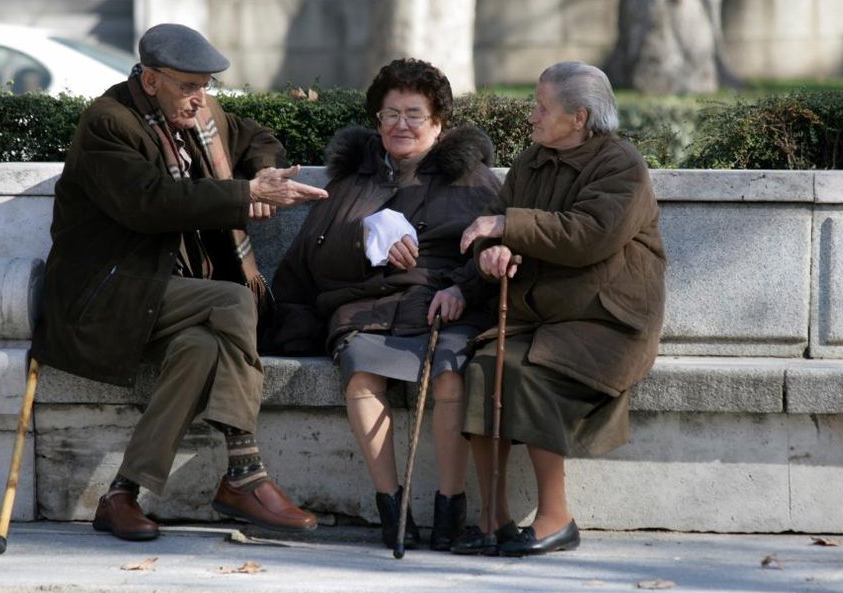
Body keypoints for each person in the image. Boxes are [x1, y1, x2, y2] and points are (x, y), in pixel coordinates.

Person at [29, 23, 329, 541]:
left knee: (199, 349)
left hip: (170, 295)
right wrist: (241, 194)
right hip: (106, 294)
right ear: (150, 81)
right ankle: (244, 472)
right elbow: (149, 204)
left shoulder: (198, 115)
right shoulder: (108, 123)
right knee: (234, 301)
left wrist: (263, 177)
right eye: (188, 86)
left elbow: (258, 137)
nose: (199, 98)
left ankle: (121, 494)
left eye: (205, 86)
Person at [268, 58, 501, 551]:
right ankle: (391, 506)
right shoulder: (353, 180)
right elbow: (310, 257)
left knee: (451, 370)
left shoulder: (473, 180)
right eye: (390, 113)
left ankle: (449, 504)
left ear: (439, 123)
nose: (401, 125)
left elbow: (489, 250)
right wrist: (366, 240)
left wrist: (462, 288)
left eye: (414, 114)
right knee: (360, 372)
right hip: (365, 307)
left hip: (445, 304)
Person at [454, 61, 666, 557]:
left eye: (541, 107)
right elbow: (502, 235)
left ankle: (556, 517)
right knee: (484, 369)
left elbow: (588, 236)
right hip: (540, 318)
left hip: (607, 323)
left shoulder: (621, 166)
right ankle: (492, 517)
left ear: (579, 117)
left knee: (526, 373)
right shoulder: (531, 162)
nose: (530, 116)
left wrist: (506, 228)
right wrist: (492, 258)